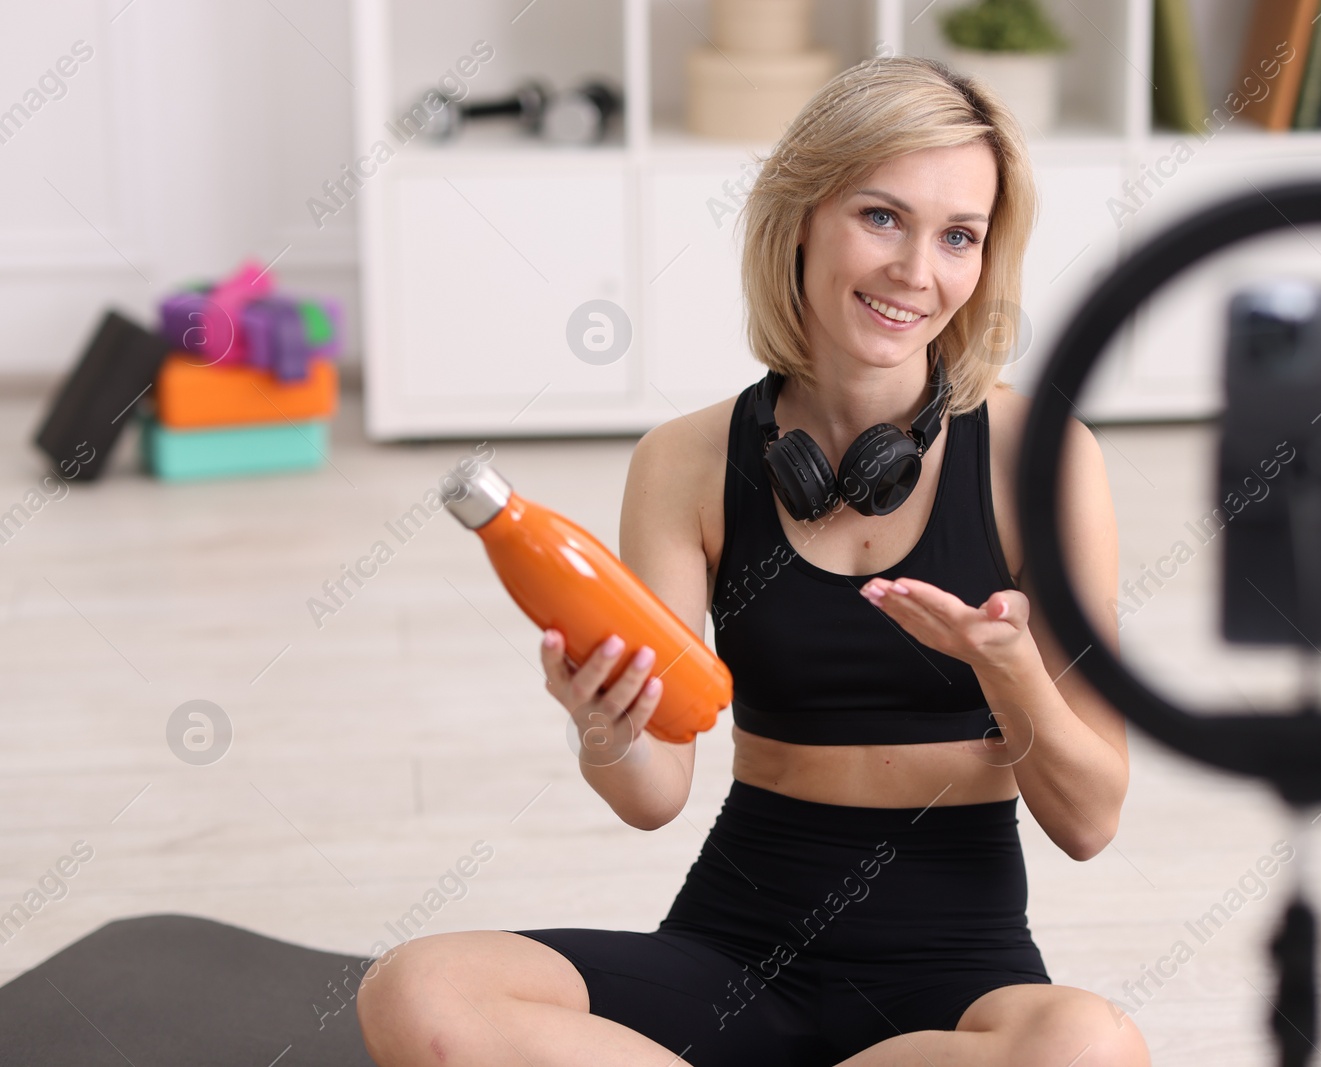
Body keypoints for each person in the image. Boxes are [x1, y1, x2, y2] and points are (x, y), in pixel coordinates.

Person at [357, 55, 1147, 1067]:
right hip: (733, 947)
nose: (917, 270)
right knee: (417, 989)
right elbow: (653, 793)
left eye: (958, 235)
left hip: (953, 970)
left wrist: (1009, 667)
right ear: (802, 216)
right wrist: (605, 728)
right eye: (880, 216)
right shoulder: (684, 462)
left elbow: (1091, 818)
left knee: (1090, 1050)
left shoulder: (1045, 462)